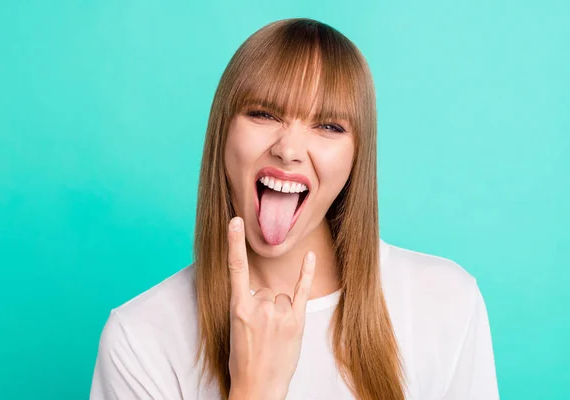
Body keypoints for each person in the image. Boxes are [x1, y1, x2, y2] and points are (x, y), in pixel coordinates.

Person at [89, 18, 499, 400]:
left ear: (358, 156)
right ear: (223, 132)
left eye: (328, 126)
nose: (287, 150)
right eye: (263, 114)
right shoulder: (140, 338)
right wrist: (254, 388)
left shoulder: (446, 303)